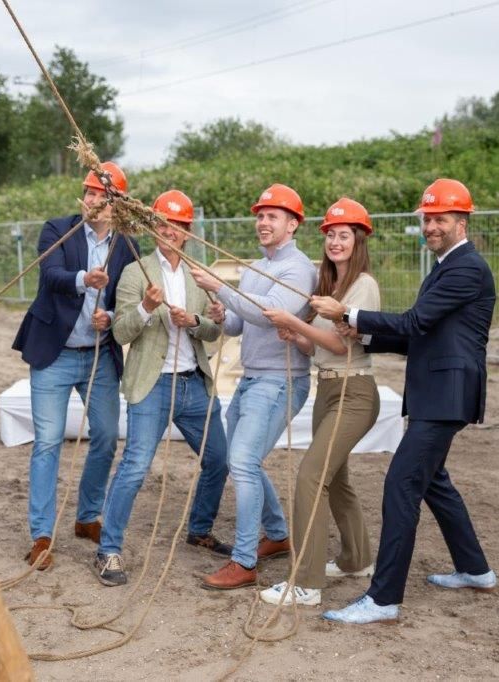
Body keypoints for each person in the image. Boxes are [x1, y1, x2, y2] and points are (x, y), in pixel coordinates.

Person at [311, 178, 497, 625]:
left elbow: (416, 321)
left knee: (401, 485)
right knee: (434, 482)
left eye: (440, 219)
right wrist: (367, 335)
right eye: (428, 219)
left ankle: (383, 598)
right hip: (439, 393)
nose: (431, 226)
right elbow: (423, 335)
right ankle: (475, 569)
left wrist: (348, 315)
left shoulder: (466, 268)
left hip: (445, 396)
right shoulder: (448, 266)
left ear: (462, 221)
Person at [94, 190, 230, 586]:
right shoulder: (137, 272)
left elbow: (214, 331)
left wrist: (198, 321)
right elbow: (120, 332)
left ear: (188, 232)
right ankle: (109, 549)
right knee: (135, 466)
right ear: (152, 227)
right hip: (151, 386)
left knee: (219, 459)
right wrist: (146, 308)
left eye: (176, 225)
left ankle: (199, 528)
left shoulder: (197, 274)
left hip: (194, 384)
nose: (167, 230)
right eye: (161, 223)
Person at [12, 162, 140, 569]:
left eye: (102, 197)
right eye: (89, 194)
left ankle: (87, 517)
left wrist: (113, 315)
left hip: (100, 354)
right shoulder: (58, 229)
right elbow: (50, 274)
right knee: (48, 442)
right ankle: (41, 535)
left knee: (105, 436)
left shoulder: (127, 245)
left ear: (117, 205)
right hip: (54, 352)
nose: (93, 202)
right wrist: (84, 279)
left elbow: (130, 294)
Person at [190, 183, 317, 590]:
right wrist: (222, 312)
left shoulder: (298, 269)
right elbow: (240, 324)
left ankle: (244, 562)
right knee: (242, 459)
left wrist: (219, 288)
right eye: (260, 215)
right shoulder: (254, 267)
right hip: (253, 377)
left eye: (272, 216)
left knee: (242, 462)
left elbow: (270, 315)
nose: (263, 222)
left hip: (280, 381)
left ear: (293, 225)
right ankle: (278, 535)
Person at [259, 197, 381, 606]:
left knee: (311, 476)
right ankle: (357, 559)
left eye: (343, 235)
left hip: (354, 391)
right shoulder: (329, 287)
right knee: (337, 480)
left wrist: (294, 321)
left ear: (358, 240)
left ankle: (306, 583)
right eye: (330, 235)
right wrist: (297, 337)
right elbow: (321, 350)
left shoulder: (363, 285)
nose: (334, 242)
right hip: (329, 389)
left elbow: (342, 345)